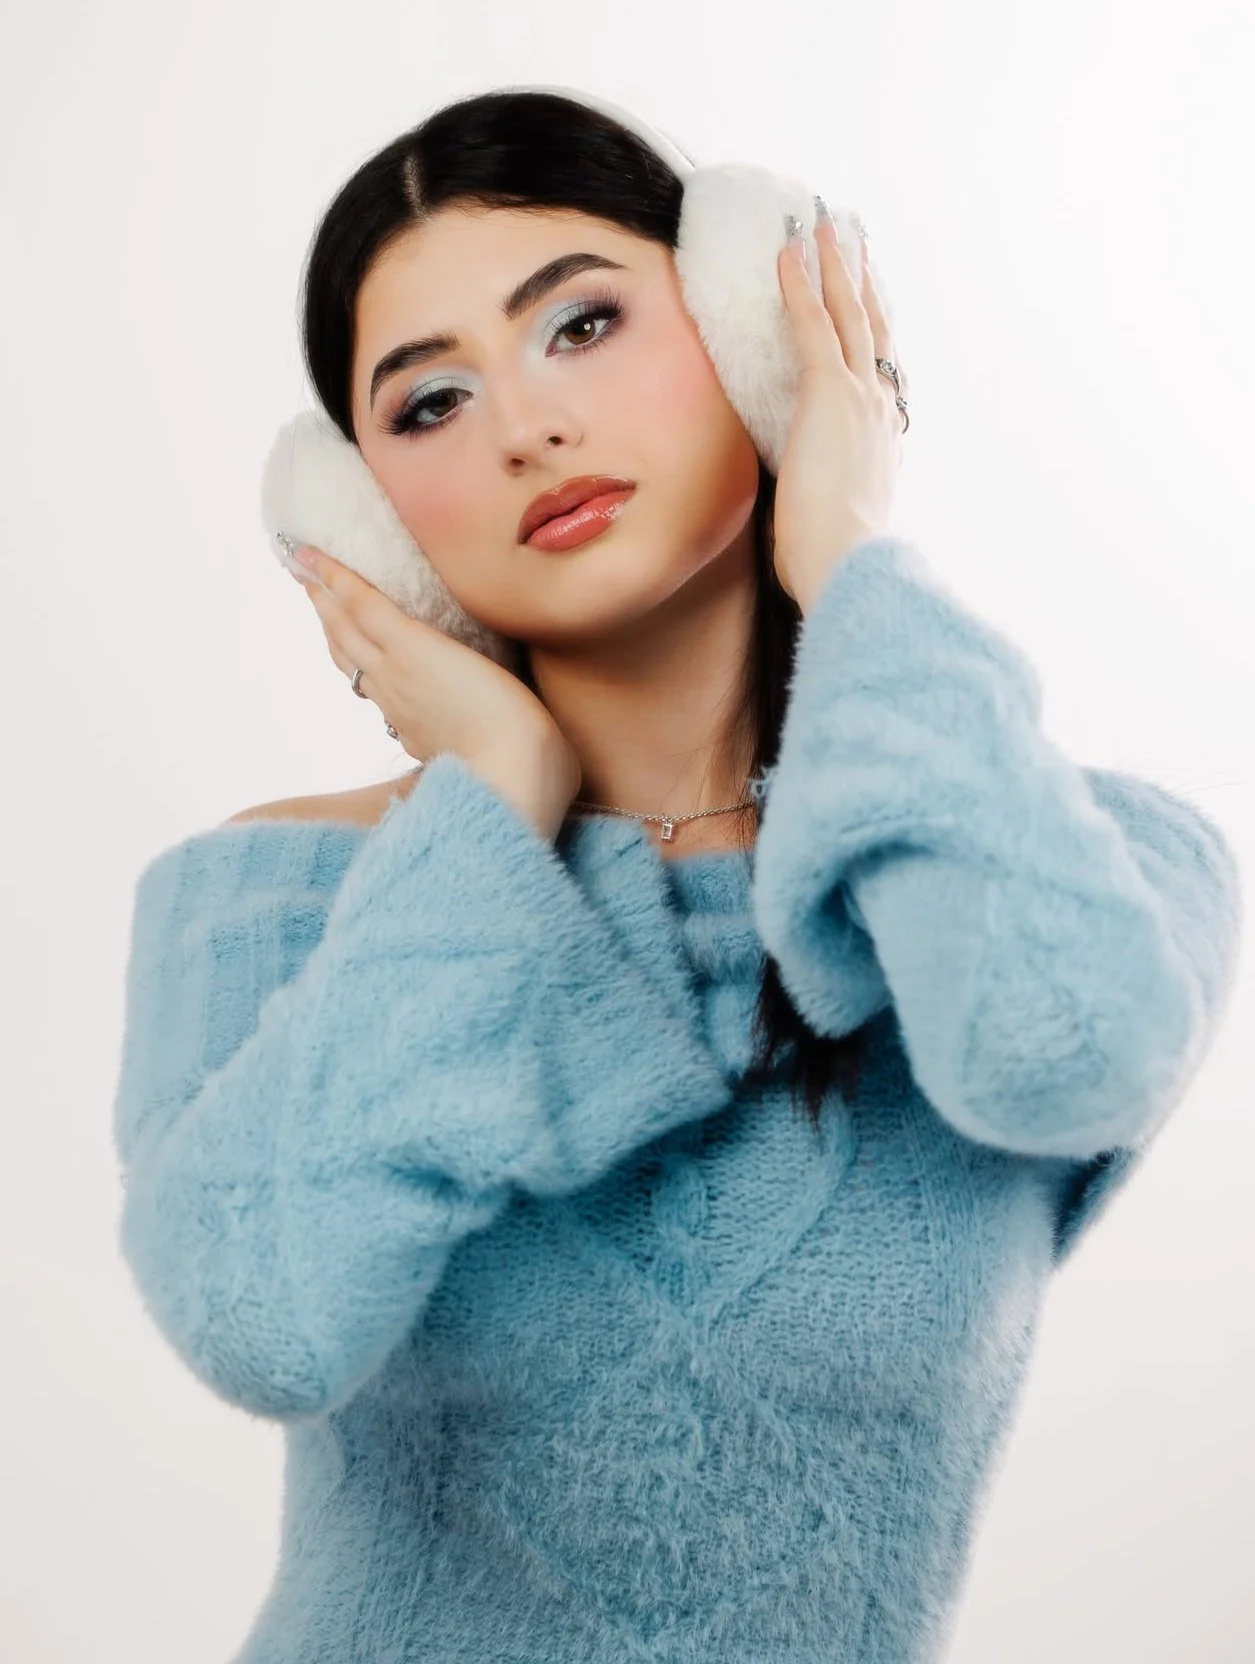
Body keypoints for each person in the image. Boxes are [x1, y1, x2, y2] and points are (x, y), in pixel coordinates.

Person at [111, 88, 1242, 1664]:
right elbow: (260, 1312)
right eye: (429, 405)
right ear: (373, 526)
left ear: (747, 332)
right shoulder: (285, 896)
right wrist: (497, 806)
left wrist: (845, 551)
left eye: (579, 324)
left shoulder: (1074, 859)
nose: (525, 425)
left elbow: (1063, 1051)